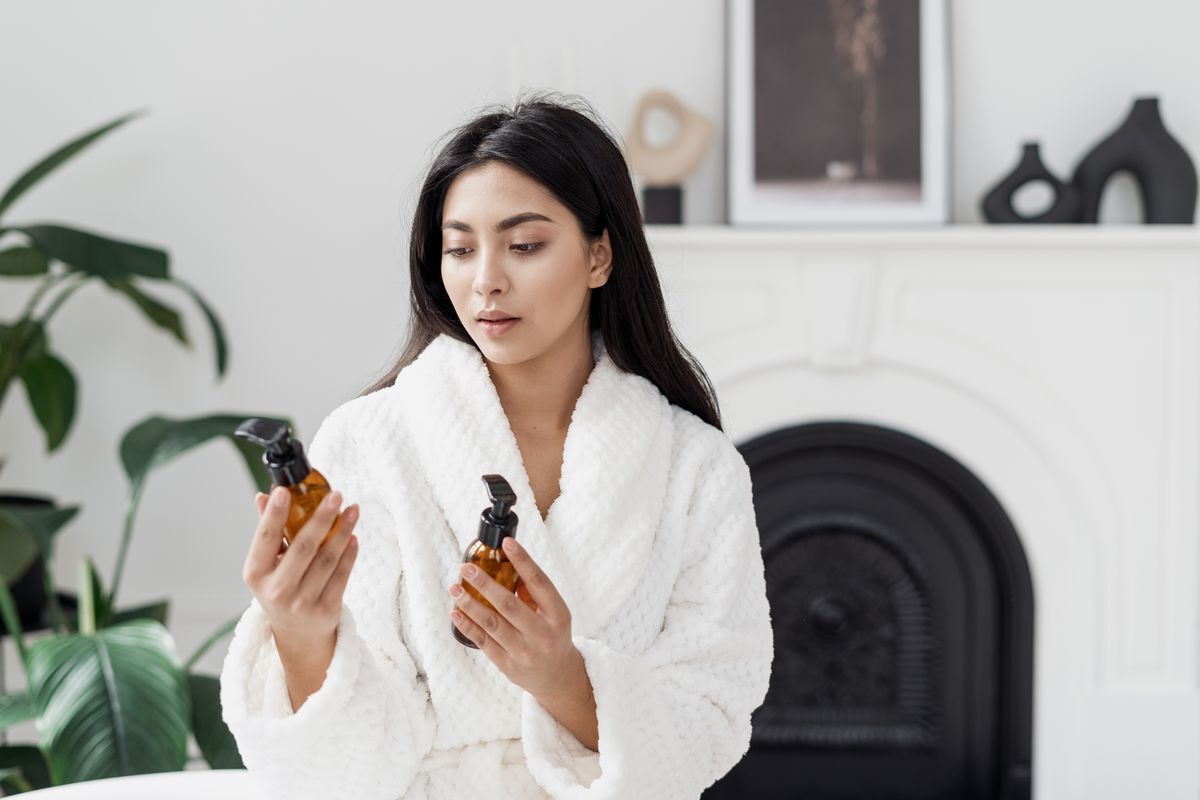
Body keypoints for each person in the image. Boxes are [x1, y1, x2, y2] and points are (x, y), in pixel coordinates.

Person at [219, 91, 774, 800]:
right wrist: (302, 634)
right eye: (459, 249)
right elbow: (345, 767)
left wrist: (562, 678)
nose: (486, 281)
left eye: (525, 245)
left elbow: (712, 715)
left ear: (600, 255)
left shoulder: (696, 470)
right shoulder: (372, 441)